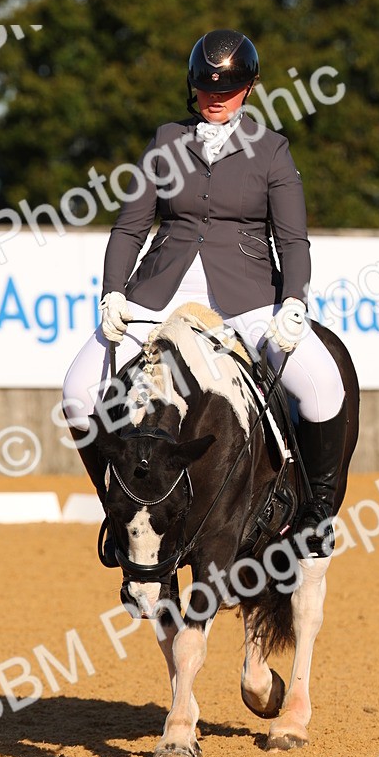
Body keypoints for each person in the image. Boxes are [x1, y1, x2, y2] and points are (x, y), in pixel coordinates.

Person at [62, 28, 348, 555]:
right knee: (78, 394)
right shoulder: (165, 142)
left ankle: (317, 515)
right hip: (160, 293)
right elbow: (129, 228)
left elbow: (292, 239)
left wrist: (294, 301)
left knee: (325, 384)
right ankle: (122, 511)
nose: (216, 100)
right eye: (207, 90)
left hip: (247, 296)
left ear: (250, 89)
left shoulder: (273, 150)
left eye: (229, 91)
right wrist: (113, 293)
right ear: (192, 88)